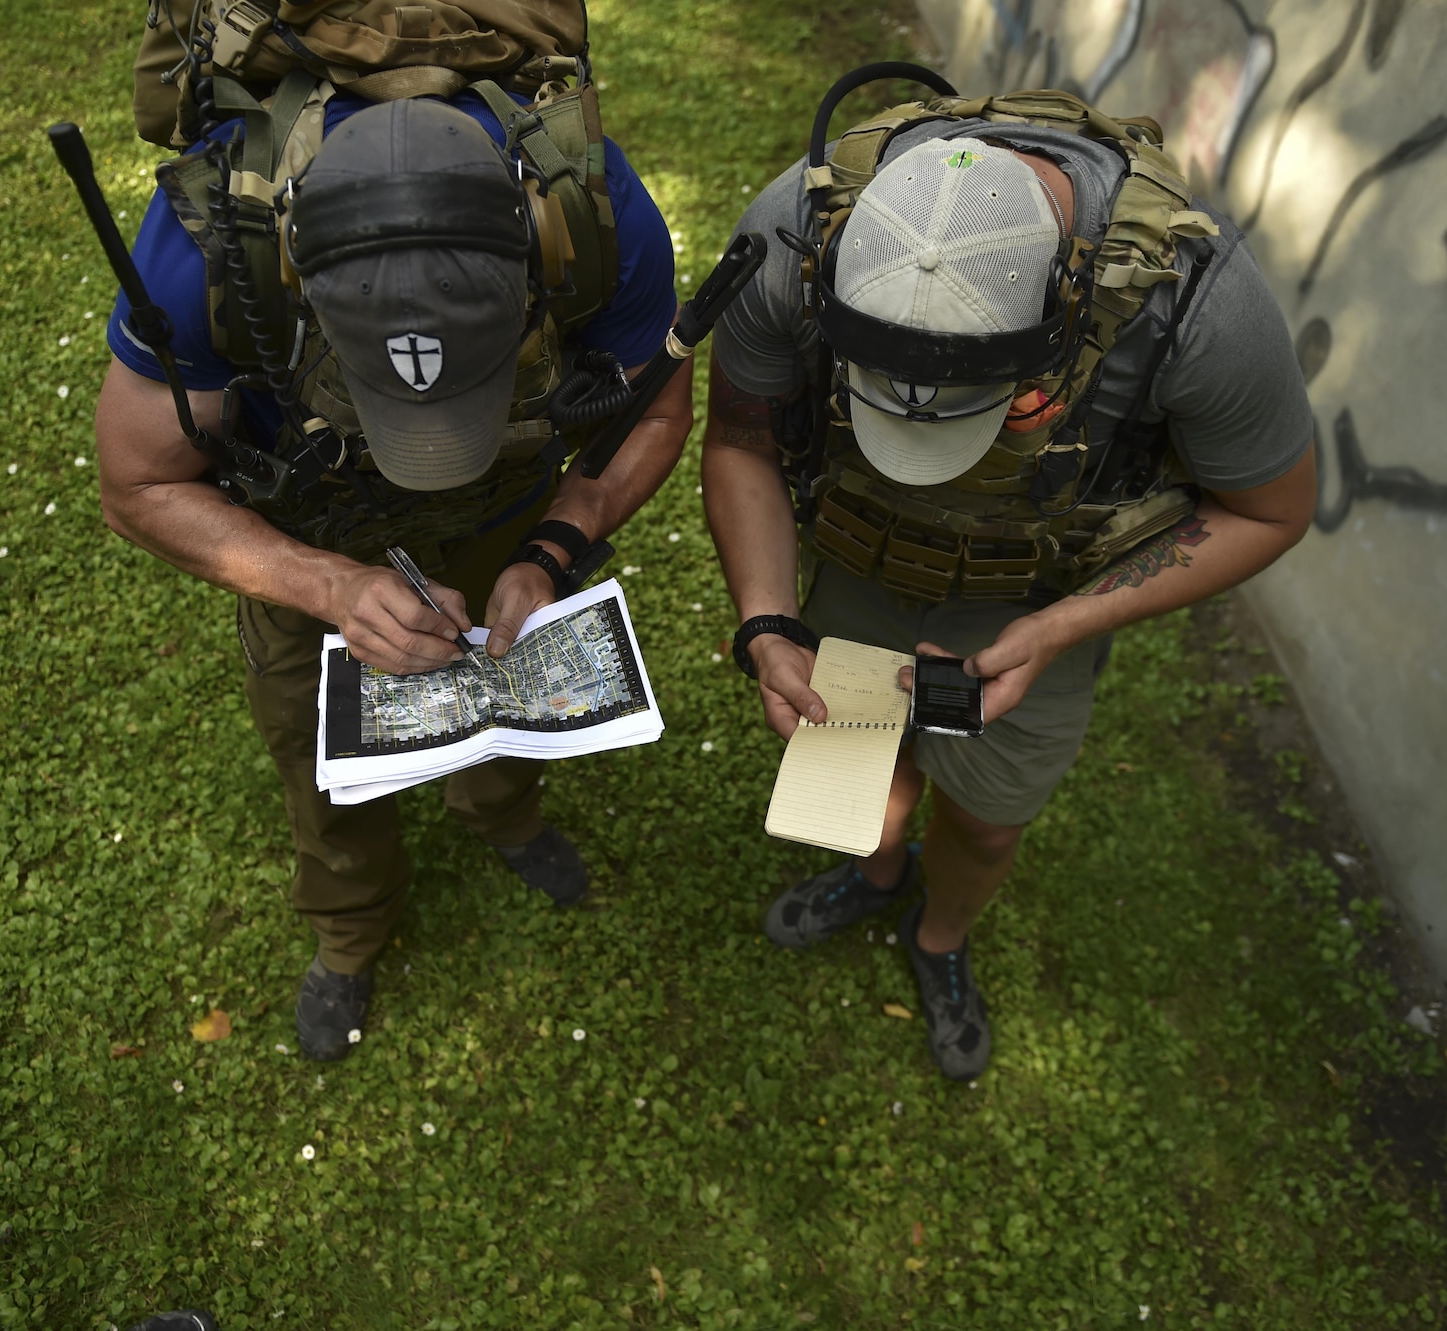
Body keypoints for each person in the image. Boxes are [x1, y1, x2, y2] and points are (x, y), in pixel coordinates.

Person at [704, 86, 1316, 1081]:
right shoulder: (790, 233)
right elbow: (739, 437)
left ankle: (938, 937)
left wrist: (1063, 626)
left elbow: (1270, 507)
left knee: (988, 818)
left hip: (1033, 596)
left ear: (1062, 315)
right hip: (854, 557)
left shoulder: (1194, 303)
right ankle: (872, 868)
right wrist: (767, 621)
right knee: (849, 777)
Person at [95, 87, 685, 1062]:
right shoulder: (210, 237)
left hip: (509, 516)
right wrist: (325, 586)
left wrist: (552, 548)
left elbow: (655, 410)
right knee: (320, 747)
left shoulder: (588, 207)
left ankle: (503, 811)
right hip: (312, 532)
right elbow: (139, 484)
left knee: (511, 690)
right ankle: (350, 922)